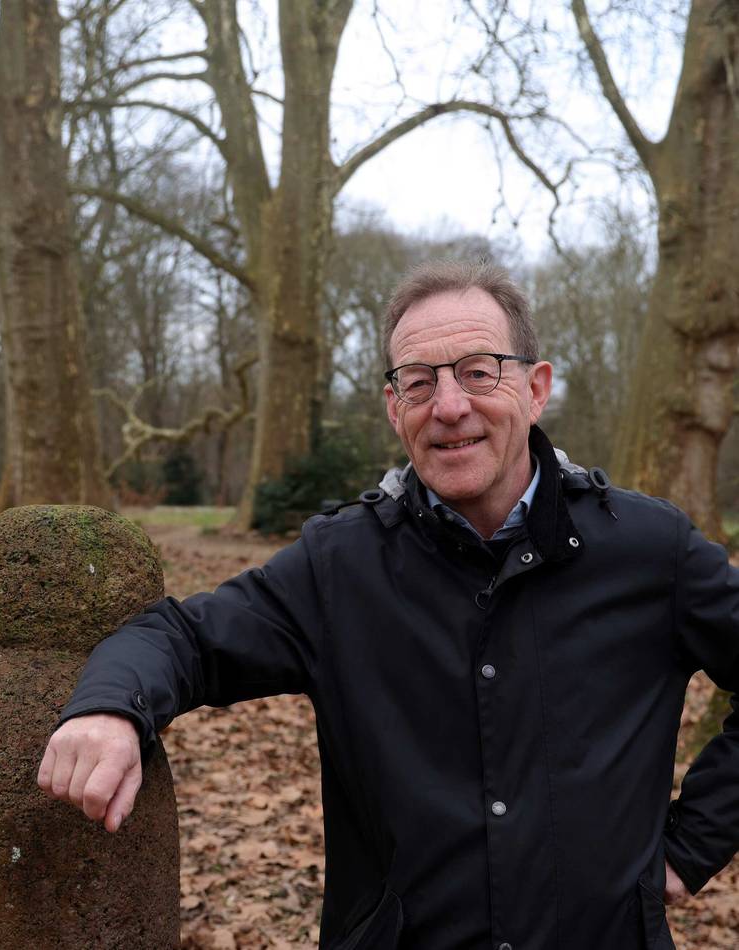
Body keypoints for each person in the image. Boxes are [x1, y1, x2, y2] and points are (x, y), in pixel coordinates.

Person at [37, 260, 738, 949]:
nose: (449, 406)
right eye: (419, 382)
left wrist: (690, 848)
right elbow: (185, 637)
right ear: (393, 407)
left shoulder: (648, 548)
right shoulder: (341, 564)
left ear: (536, 387)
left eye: (477, 371)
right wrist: (110, 707)